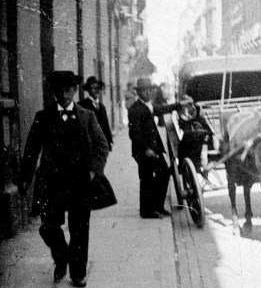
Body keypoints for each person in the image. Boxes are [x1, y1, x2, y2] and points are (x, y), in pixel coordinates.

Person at [18, 71, 110, 287]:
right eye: (59, 90)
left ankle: (78, 273)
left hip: (79, 182)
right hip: (52, 182)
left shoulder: (87, 116)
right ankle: (62, 257)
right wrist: (25, 177)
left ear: (75, 90)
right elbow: (31, 149)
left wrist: (92, 171)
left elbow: (102, 146)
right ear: (54, 91)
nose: (64, 94)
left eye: (68, 89)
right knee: (48, 227)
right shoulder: (43, 116)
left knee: (79, 229)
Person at [128, 77, 191, 218]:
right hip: (144, 151)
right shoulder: (135, 109)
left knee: (164, 173)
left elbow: (163, 108)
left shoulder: (149, 105)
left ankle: (157, 206)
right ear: (138, 93)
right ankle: (146, 211)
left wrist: (179, 104)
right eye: (144, 91)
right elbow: (134, 134)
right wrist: (146, 149)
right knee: (147, 179)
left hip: (154, 149)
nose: (148, 93)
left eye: (149, 90)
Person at [78, 76, 113, 150]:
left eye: (98, 88)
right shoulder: (82, 105)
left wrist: (109, 140)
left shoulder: (102, 106)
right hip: (89, 143)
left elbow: (106, 124)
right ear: (88, 90)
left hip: (101, 143)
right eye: (94, 88)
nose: (97, 90)